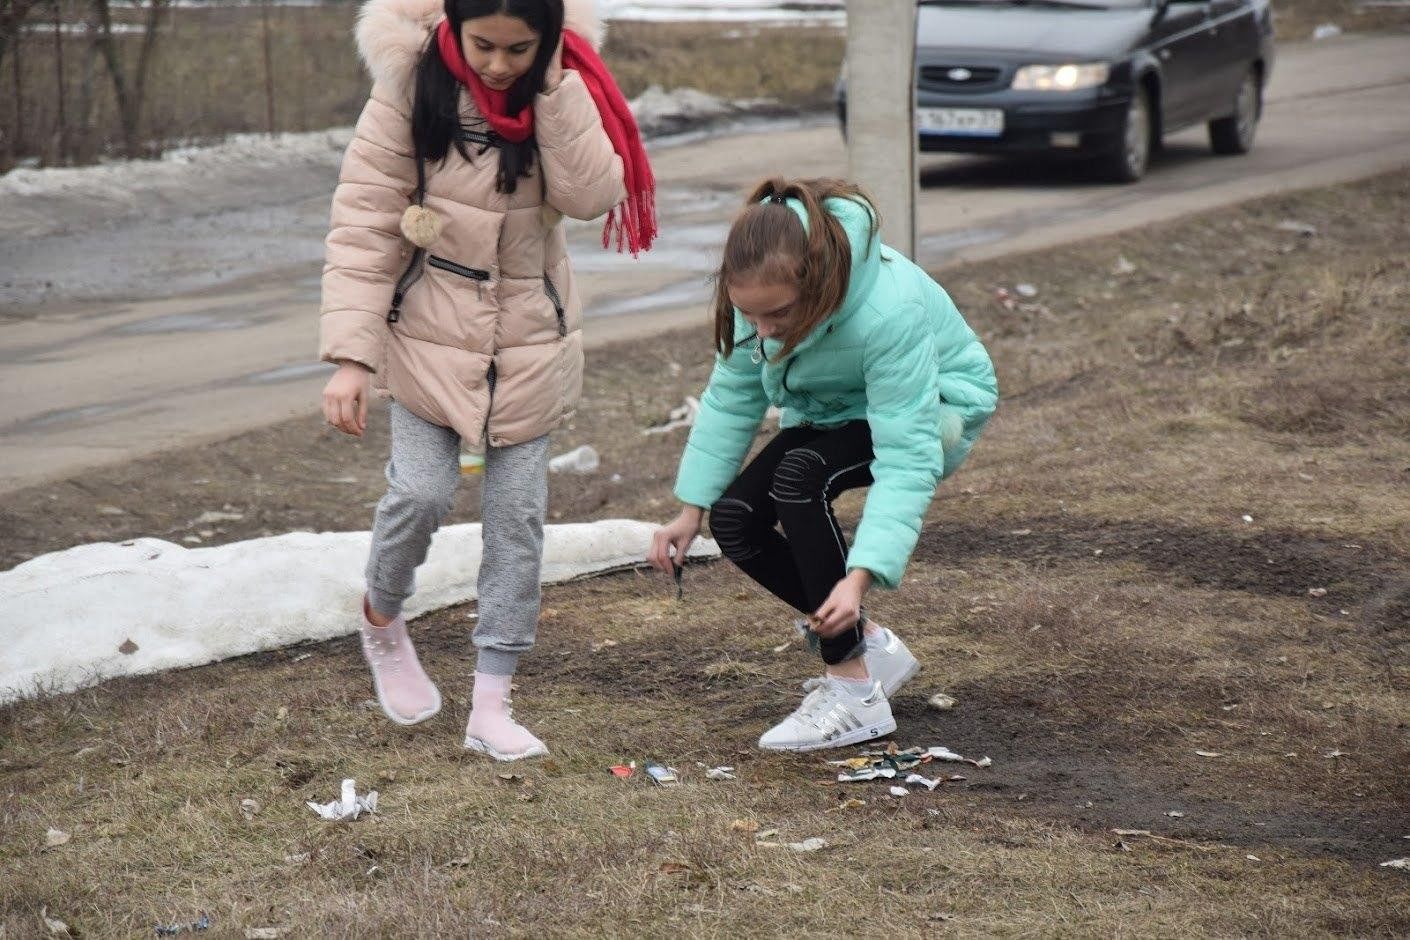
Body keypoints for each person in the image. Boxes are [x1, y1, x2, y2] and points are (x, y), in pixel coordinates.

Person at [319, 0, 654, 761]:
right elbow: (364, 224)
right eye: (485, 46)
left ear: (548, 42)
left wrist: (558, 89)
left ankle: (491, 705)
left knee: (517, 522)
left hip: (529, 341)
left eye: (520, 49)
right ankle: (381, 615)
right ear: (454, 28)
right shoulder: (410, 87)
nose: (500, 64)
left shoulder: (563, 85)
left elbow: (592, 195)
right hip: (429, 333)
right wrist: (351, 358)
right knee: (422, 493)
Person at [649, 178, 996, 752]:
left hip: (935, 405)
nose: (762, 330)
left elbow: (907, 457)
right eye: (749, 316)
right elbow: (733, 397)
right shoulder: (762, 297)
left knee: (800, 475)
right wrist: (691, 510)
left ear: (818, 284)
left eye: (777, 315)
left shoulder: (890, 311)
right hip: (835, 409)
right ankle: (875, 651)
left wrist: (859, 579)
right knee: (736, 518)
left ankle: (854, 692)